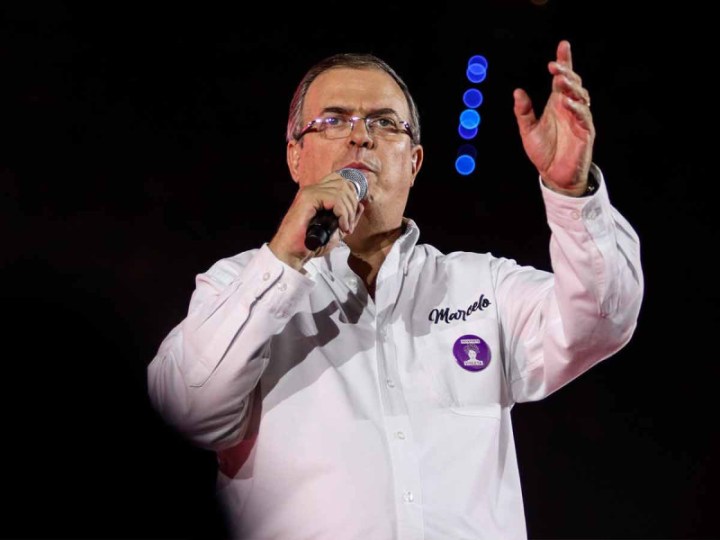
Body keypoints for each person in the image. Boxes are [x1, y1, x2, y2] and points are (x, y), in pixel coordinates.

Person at [147, 40, 644, 539]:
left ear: (415, 162)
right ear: (295, 156)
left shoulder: (482, 287)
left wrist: (572, 193)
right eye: (334, 120)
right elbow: (187, 412)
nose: (360, 137)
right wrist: (284, 260)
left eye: (385, 123)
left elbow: (603, 320)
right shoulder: (238, 284)